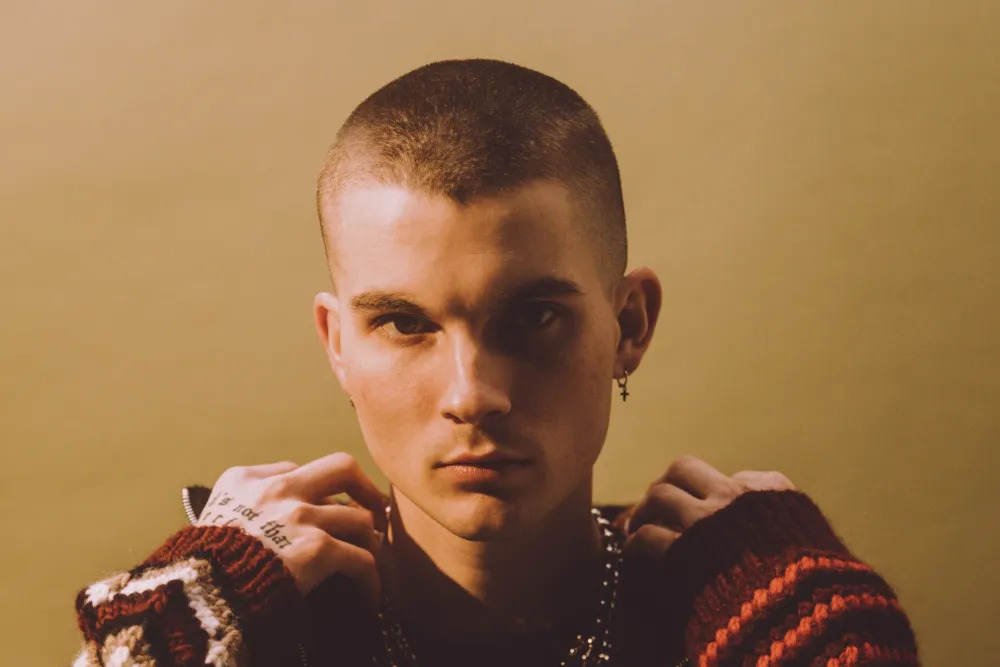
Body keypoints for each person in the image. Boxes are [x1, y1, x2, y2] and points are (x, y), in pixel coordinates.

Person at [73, 59, 919, 666]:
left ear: (630, 323)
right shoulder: (240, 620)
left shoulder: (747, 618)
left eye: (534, 316)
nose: (472, 393)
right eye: (404, 322)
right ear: (339, 344)